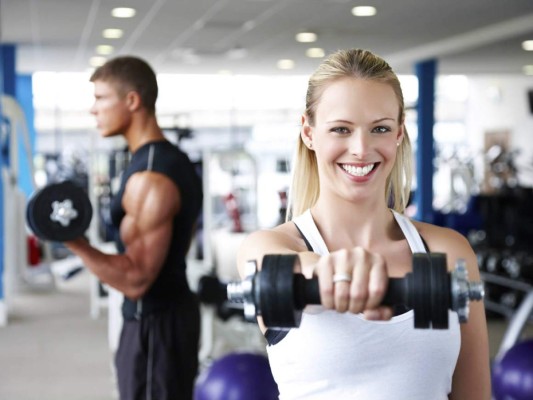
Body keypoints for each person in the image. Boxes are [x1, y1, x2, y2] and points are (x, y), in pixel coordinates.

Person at [237, 48, 491, 399]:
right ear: (309, 133)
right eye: (341, 129)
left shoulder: (448, 251)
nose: (360, 148)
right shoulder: (269, 247)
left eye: (380, 128)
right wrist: (336, 270)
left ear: (399, 133)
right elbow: (291, 269)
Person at [64, 56, 203, 400]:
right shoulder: (158, 161)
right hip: (158, 319)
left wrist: (75, 243)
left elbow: (137, 278)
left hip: (156, 324)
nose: (92, 110)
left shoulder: (152, 177)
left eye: (100, 98)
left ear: (132, 100)